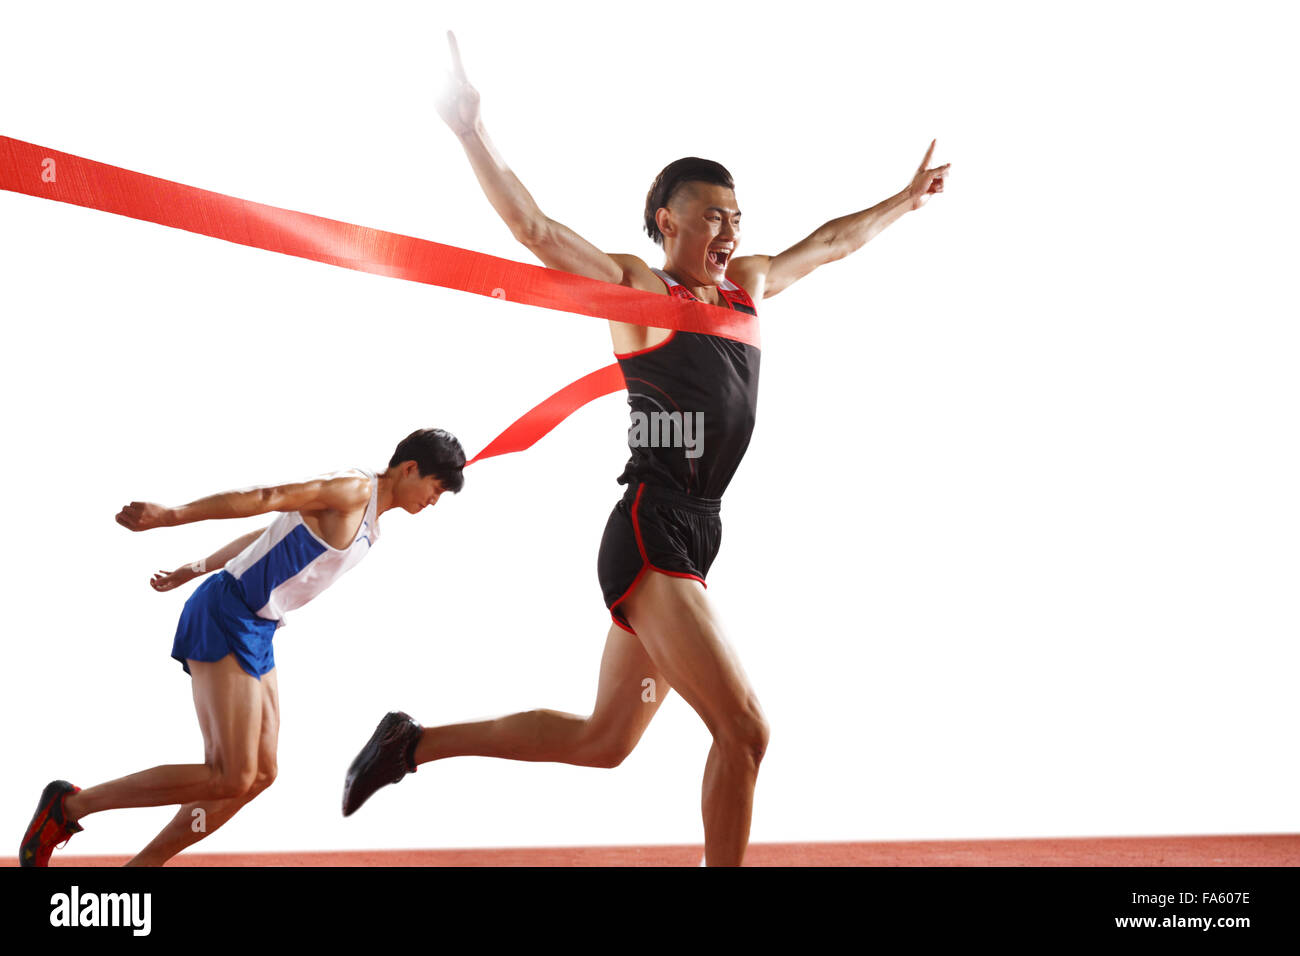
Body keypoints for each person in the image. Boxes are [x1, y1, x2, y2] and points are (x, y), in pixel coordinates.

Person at [342, 32, 949, 866]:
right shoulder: (640, 290)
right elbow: (537, 229)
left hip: (701, 530)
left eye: (737, 217)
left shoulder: (750, 286)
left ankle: (410, 744)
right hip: (649, 528)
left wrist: (906, 199)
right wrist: (471, 132)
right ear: (669, 222)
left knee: (604, 740)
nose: (730, 229)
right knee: (745, 731)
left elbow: (835, 241)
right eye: (713, 215)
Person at [19, 427, 465, 867]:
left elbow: (265, 536)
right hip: (226, 614)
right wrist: (172, 515)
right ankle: (68, 807)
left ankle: (143, 866)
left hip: (258, 628)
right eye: (436, 487)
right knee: (228, 775)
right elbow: (267, 497)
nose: (434, 500)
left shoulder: (371, 524)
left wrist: (193, 567)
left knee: (259, 776)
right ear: (410, 468)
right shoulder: (352, 489)